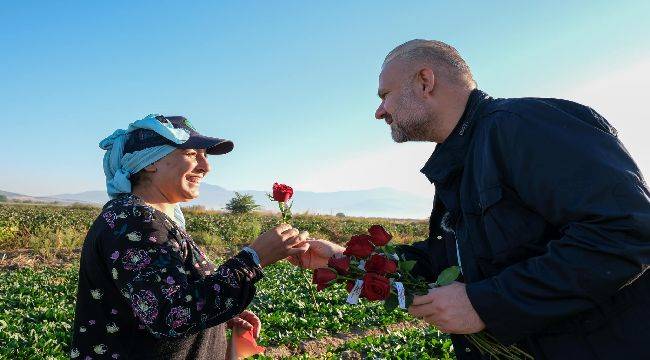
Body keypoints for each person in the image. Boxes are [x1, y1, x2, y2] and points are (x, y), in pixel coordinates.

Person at [290, 40, 650, 359]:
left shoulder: (522, 126)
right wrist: (348, 259)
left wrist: (487, 304)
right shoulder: (462, 159)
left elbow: (627, 231)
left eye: (385, 95)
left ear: (425, 82)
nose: (380, 111)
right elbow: (449, 257)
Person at [70, 114, 309, 359]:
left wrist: (217, 317)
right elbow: (169, 314)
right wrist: (252, 260)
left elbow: (160, 300)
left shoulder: (142, 217)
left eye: (204, 155)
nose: (206, 166)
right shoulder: (134, 221)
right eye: (192, 154)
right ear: (151, 161)